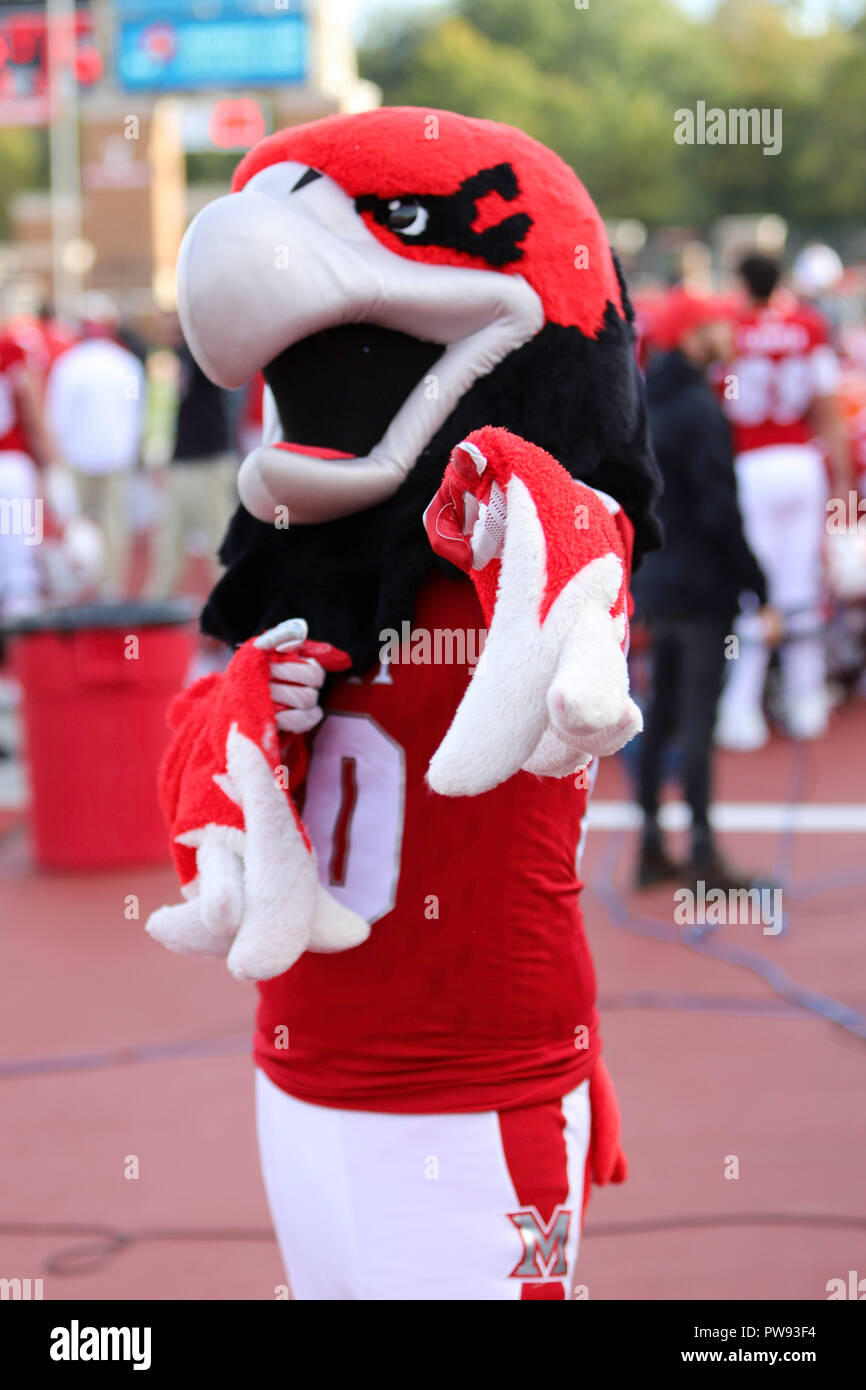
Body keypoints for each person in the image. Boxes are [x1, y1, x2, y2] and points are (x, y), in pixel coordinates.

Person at [632, 288, 778, 891]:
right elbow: (722, 509)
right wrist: (758, 586)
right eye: (718, 326)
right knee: (696, 719)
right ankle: (702, 854)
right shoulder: (700, 407)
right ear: (693, 336)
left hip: (656, 583)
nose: (730, 336)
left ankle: (650, 848)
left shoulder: (640, 401)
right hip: (702, 587)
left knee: (659, 713)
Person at [715, 254, 849, 747]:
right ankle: (805, 699)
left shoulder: (731, 329)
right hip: (801, 463)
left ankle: (740, 708)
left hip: (751, 464)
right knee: (799, 588)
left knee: (754, 590)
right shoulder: (808, 327)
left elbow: (720, 404)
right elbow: (827, 407)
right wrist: (841, 479)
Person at [44, 297, 146, 598]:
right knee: (114, 524)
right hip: (115, 456)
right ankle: (109, 585)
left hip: (79, 456)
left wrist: (58, 453)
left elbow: (57, 414)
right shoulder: (125, 363)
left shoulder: (71, 364)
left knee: (80, 524)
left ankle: (79, 584)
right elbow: (137, 411)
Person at [145, 325, 237, 599]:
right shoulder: (177, 358)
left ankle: (234, 612)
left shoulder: (202, 355)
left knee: (218, 542)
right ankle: (156, 608)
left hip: (207, 462)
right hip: (184, 462)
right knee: (168, 540)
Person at [0, 325, 55, 620]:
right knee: (19, 574)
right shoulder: (9, 348)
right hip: (10, 466)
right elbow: (31, 411)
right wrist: (51, 463)